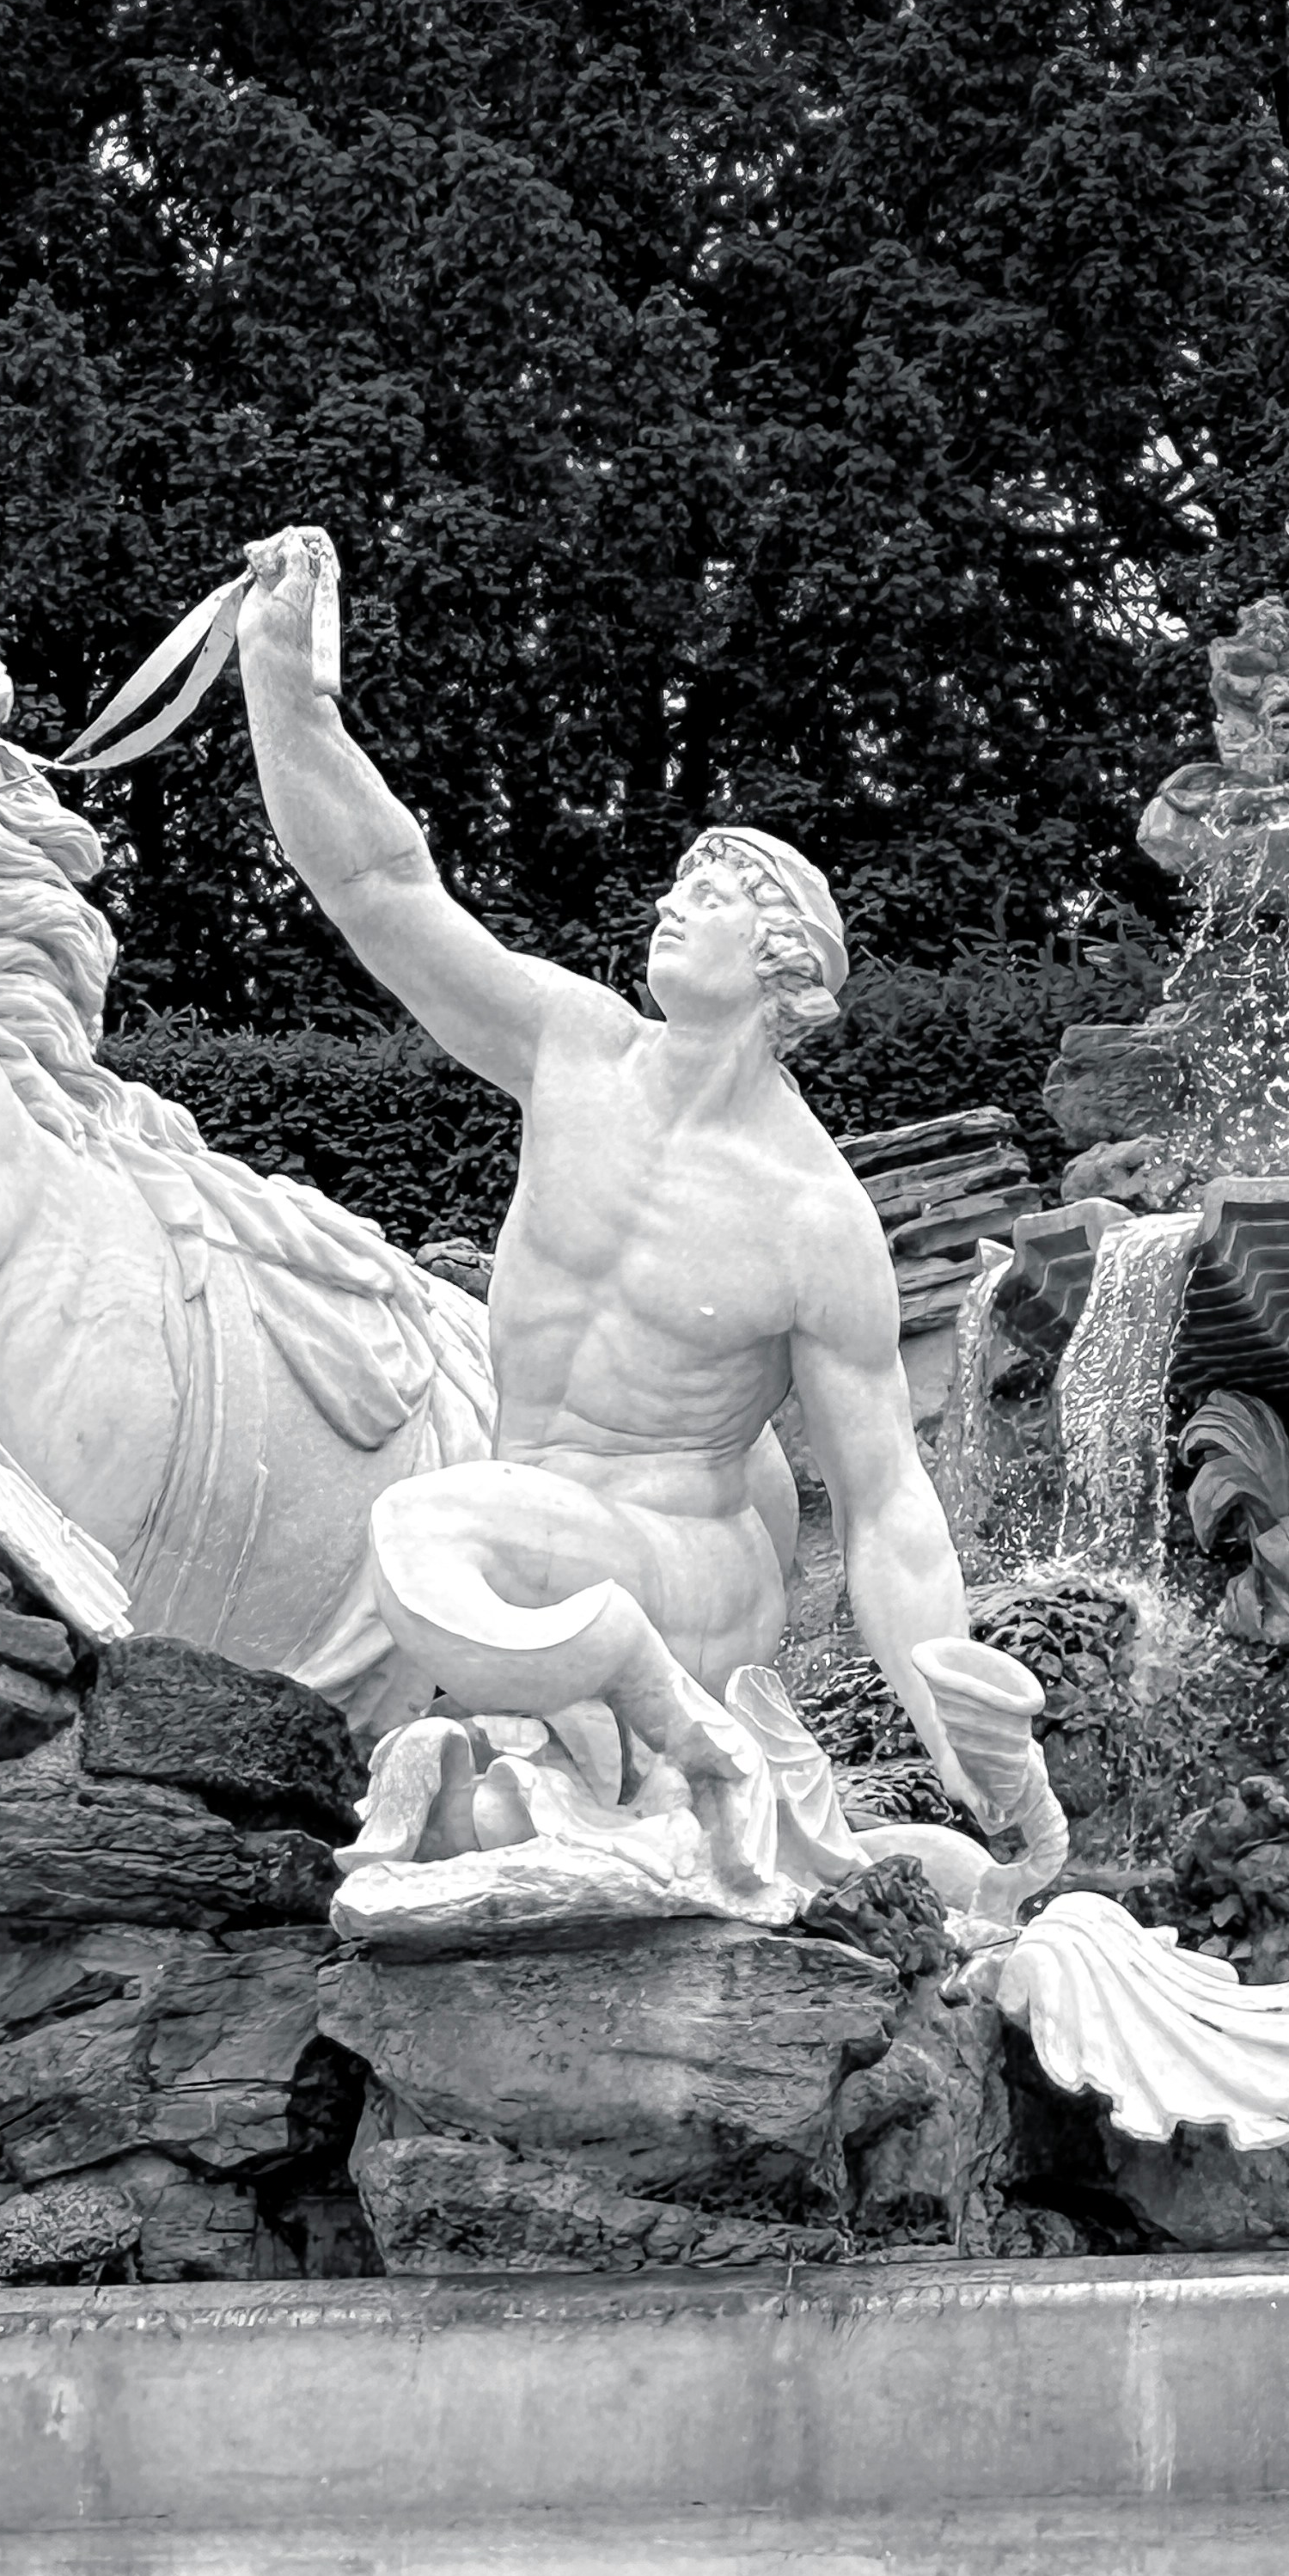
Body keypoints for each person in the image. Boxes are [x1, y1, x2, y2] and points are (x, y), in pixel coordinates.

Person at [235, 523, 993, 1814]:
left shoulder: (810, 1215)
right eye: (678, 883)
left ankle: (672, 1723)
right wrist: (282, 690)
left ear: (786, 966)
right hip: (544, 1531)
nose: (672, 902)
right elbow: (378, 885)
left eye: (717, 891)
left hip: (686, 1576)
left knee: (426, 1529)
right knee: (469, 1814)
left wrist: (978, 1762)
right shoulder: (575, 1048)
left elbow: (888, 1513)